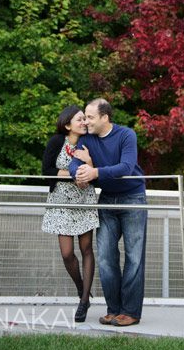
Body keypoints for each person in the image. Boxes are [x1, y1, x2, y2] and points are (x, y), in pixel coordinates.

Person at [69, 98, 147, 327]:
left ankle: (130, 312)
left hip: (133, 199)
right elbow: (75, 163)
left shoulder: (126, 135)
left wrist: (94, 173)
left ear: (105, 117)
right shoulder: (86, 139)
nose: (86, 121)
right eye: (84, 116)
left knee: (134, 257)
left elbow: (127, 167)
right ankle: (114, 310)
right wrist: (80, 173)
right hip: (107, 201)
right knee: (105, 256)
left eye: (90, 117)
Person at [41, 105, 99, 322]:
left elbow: (97, 173)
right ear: (67, 125)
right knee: (67, 254)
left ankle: (84, 301)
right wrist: (74, 174)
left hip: (84, 201)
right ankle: (80, 287)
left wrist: (89, 166)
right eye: (79, 119)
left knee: (86, 249)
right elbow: (46, 171)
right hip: (61, 203)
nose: (84, 122)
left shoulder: (90, 143)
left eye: (85, 119)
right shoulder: (57, 142)